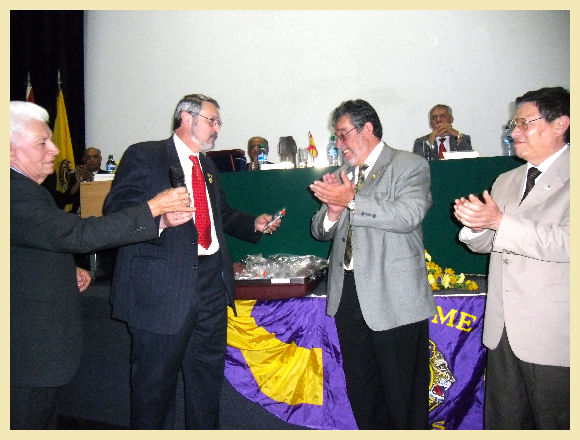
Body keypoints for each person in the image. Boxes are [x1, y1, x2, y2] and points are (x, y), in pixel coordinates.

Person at [10, 101, 194, 429]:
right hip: (24, 359)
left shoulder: (27, 190)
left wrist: (64, 267)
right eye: (42, 142)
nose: (55, 149)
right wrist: (152, 208)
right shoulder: (13, 191)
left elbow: (30, 244)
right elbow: (78, 234)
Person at [102, 93, 280, 429]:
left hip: (211, 286)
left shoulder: (207, 167)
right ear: (186, 117)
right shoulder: (145, 155)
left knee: (205, 385)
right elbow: (117, 211)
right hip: (161, 291)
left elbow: (220, 214)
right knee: (154, 391)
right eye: (212, 121)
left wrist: (253, 224)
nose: (218, 129)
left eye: (219, 123)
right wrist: (159, 219)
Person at [309, 99, 435, 429]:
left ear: (367, 128)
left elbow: (408, 215)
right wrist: (333, 211)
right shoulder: (343, 174)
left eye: (342, 134)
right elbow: (319, 230)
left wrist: (351, 200)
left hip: (394, 296)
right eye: (336, 136)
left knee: (403, 396)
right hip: (348, 296)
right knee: (363, 392)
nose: (339, 144)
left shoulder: (409, 165)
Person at [453, 87, 569, 429]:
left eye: (524, 123)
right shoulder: (507, 179)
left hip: (553, 331)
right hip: (502, 329)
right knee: (504, 422)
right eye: (513, 124)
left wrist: (499, 222)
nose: (514, 132)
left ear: (561, 124)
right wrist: (476, 226)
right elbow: (495, 242)